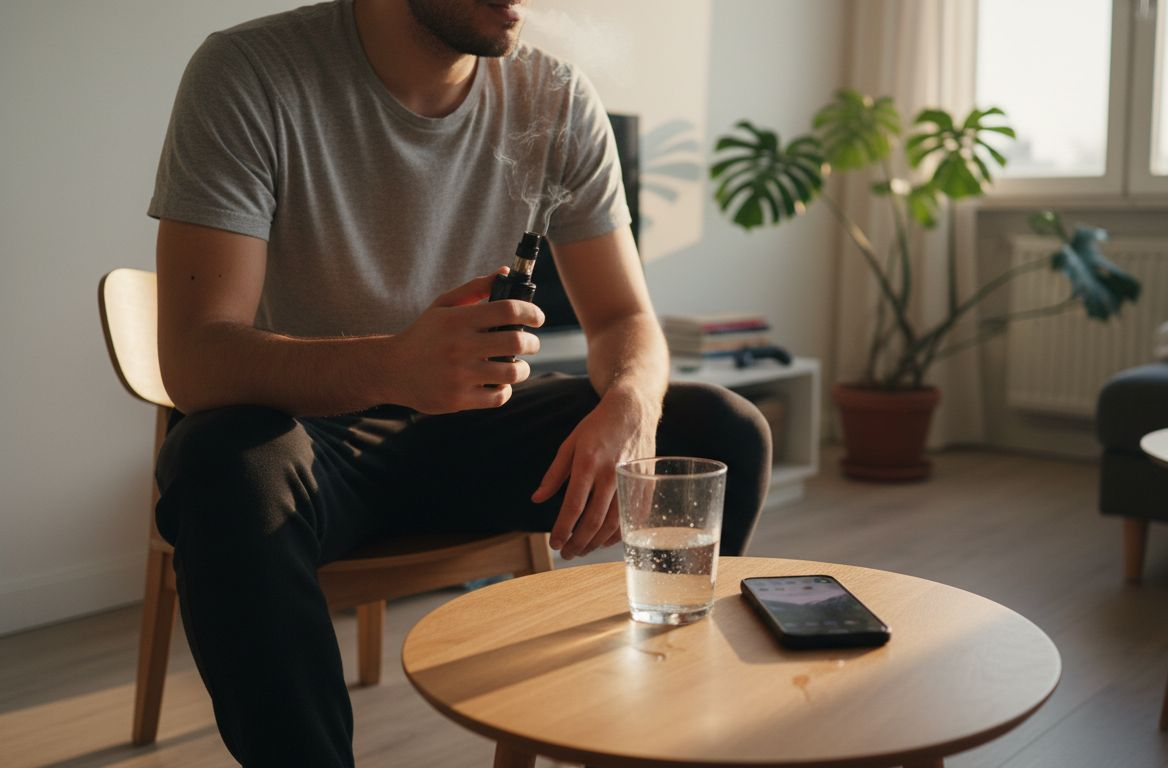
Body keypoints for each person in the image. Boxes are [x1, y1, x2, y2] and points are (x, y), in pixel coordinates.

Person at [147, 0, 771, 764]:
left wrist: (633, 406)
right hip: (312, 441)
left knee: (721, 431)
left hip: (478, 427)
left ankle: (668, 739)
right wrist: (392, 366)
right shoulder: (251, 74)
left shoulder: (554, 96)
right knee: (224, 463)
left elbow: (620, 318)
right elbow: (195, 357)